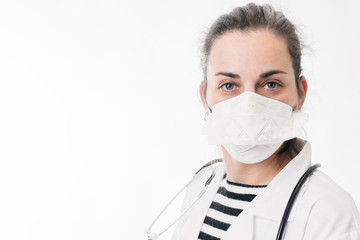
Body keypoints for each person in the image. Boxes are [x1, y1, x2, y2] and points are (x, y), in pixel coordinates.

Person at [147, 3, 360, 240]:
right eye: (228, 85)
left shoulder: (325, 211)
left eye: (271, 84)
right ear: (204, 96)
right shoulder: (199, 188)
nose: (249, 105)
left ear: (301, 93)